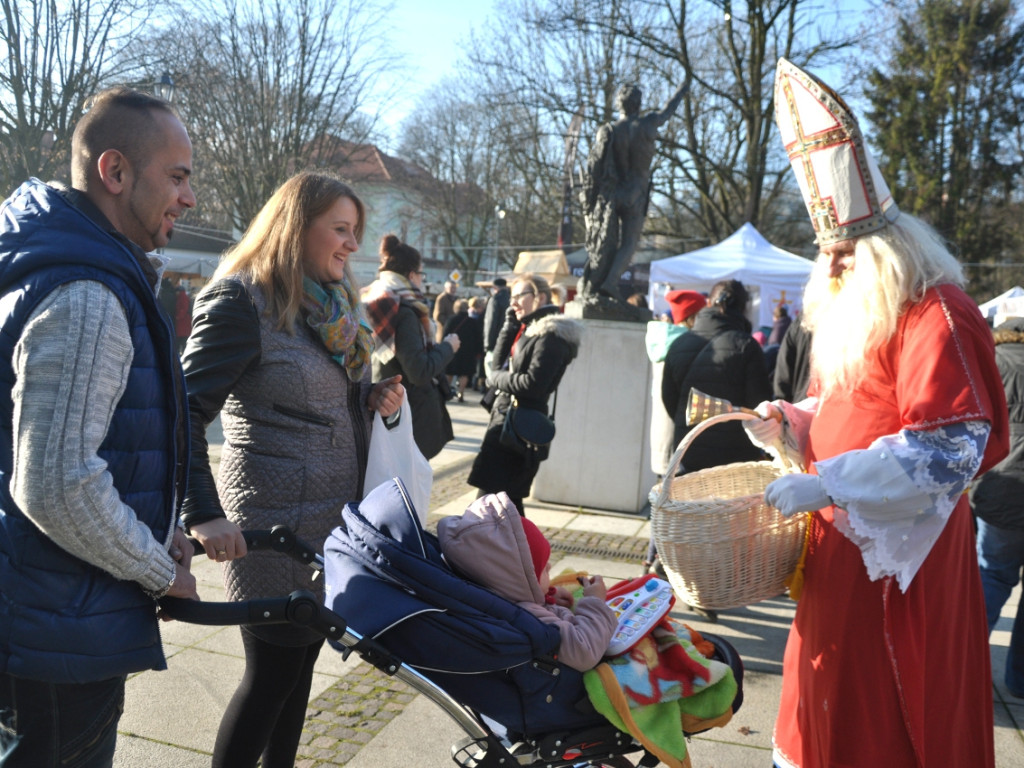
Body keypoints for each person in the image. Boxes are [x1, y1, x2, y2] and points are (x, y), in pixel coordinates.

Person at [742, 58, 1009, 768]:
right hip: (839, 555)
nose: (829, 271)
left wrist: (828, 483)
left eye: (843, 255)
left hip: (900, 569)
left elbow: (949, 446)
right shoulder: (870, 318)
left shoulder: (937, 314)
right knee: (822, 709)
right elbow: (849, 406)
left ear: (886, 251)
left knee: (883, 723)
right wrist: (792, 425)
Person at [0, 86, 201, 767]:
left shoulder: (60, 265)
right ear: (116, 173)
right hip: (54, 635)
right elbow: (56, 483)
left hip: (45, 615)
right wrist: (154, 569)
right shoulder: (86, 293)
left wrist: (157, 532)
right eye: (176, 177)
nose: (189, 198)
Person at [179, 171, 404, 768]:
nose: (354, 243)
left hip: (327, 526)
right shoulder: (240, 300)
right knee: (271, 675)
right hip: (269, 526)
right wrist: (201, 512)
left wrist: (369, 396)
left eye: (356, 231)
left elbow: (314, 400)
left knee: (300, 669)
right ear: (296, 227)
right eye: (341, 229)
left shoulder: (330, 307)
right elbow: (181, 414)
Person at [437, 493, 616, 672]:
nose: (551, 567)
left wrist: (545, 594)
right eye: (544, 569)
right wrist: (596, 602)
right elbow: (584, 651)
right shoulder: (529, 617)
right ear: (521, 582)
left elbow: (516, 591)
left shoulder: (505, 596)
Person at [468, 274, 581, 516]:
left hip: (518, 430)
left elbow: (532, 384)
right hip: (506, 423)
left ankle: (513, 552)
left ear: (539, 297)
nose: (513, 302)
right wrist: (508, 326)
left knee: (491, 506)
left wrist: (495, 378)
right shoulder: (528, 329)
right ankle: (518, 553)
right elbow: (496, 363)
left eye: (519, 296)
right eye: (512, 297)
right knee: (503, 507)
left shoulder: (551, 335)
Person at [579, 78, 689, 300]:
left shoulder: (609, 130)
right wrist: (683, 88)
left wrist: (589, 200)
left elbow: (594, 167)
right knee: (629, 242)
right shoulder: (648, 124)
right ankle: (609, 282)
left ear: (620, 104)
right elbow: (669, 109)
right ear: (638, 104)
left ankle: (599, 282)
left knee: (606, 241)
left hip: (613, 193)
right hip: (636, 193)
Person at [661, 279, 772, 472]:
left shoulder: (679, 344)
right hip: (735, 454)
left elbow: (669, 398)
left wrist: (687, 421)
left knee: (689, 501)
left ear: (709, 303)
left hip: (687, 447)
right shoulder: (747, 346)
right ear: (744, 309)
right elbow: (760, 405)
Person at [364, 235, 458, 459]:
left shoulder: (373, 299)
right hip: (407, 413)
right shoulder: (404, 311)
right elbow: (418, 371)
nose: (421, 281)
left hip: (384, 407)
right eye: (421, 274)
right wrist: (448, 348)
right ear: (411, 275)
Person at [970, 316, 1024, 699]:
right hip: (1002, 488)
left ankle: (964, 666)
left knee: (991, 576)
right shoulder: (994, 360)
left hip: (1002, 488)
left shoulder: (993, 361)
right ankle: (1020, 680)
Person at [642, 289, 706, 576]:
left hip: (662, 433)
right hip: (678, 433)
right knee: (676, 505)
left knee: (663, 501)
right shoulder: (688, 345)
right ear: (693, 317)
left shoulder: (661, 341)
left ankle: (651, 560)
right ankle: (660, 564)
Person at [443, 298, 484, 402]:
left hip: (452, 349)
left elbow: (445, 335)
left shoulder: (451, 320)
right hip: (468, 351)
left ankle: (445, 392)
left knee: (449, 372)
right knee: (464, 373)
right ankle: (461, 392)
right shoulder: (472, 322)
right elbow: (478, 337)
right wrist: (479, 351)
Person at [772, 317, 812, 402]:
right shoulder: (799, 323)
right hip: (827, 406)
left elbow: (782, 374)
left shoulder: (801, 322)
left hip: (800, 404)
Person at [483, 277, 510, 377]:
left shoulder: (495, 299)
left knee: (491, 372)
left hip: (495, 341)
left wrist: (488, 344)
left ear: (495, 288)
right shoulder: (510, 298)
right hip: (508, 340)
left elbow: (491, 322)